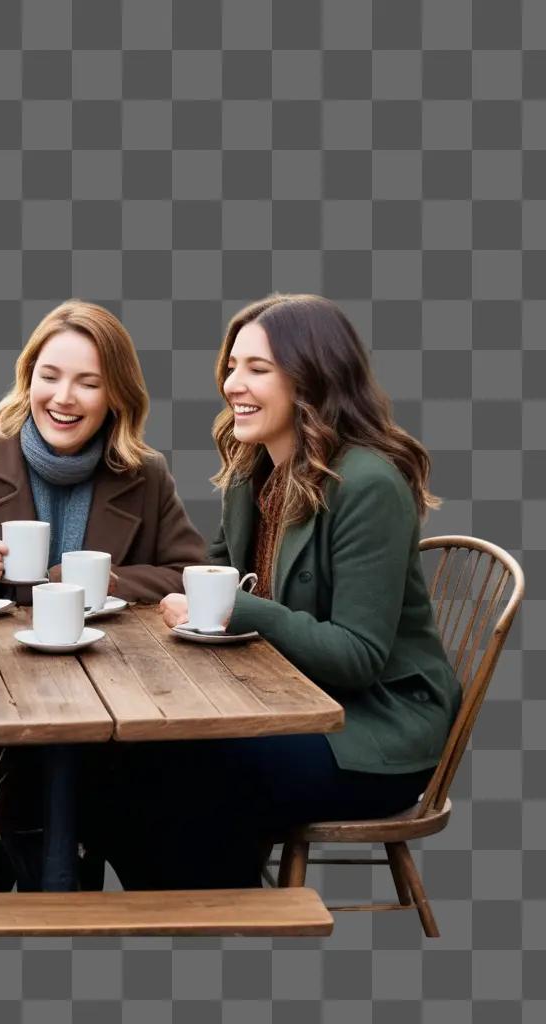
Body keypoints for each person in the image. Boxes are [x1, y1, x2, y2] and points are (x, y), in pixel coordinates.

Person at [98, 293, 462, 890]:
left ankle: (218, 911)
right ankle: (193, 903)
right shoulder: (254, 469)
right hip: (283, 702)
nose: (232, 383)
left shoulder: (368, 485)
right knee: (117, 758)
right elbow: (210, 569)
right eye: (232, 365)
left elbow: (357, 656)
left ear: (314, 379)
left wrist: (239, 609)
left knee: (182, 769)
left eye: (257, 369)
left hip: (372, 732)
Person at [0, 299, 207, 890]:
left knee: (137, 787)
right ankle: (41, 863)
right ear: (27, 378)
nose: (64, 397)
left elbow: (194, 572)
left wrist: (107, 582)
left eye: (89, 382)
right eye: (49, 376)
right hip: (1, 697)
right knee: (38, 781)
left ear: (116, 396)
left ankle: (50, 864)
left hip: (120, 697)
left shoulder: (145, 472)